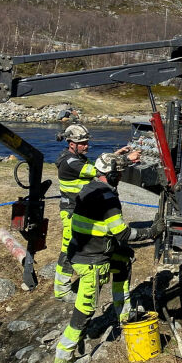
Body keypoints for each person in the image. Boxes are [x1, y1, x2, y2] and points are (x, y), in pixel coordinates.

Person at [54, 153, 164, 363]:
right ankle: (63, 359)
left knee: (123, 260)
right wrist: (150, 232)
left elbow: (101, 228)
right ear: (112, 174)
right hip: (92, 261)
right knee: (84, 310)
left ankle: (124, 315)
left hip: (86, 251)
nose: (121, 176)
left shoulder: (88, 188)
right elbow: (122, 233)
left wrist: (116, 248)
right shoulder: (108, 198)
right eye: (120, 173)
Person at [53, 124, 139, 300]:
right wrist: (127, 160)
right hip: (71, 211)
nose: (87, 146)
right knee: (70, 247)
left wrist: (117, 156)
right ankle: (61, 290)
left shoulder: (75, 157)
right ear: (71, 143)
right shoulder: (70, 163)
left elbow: (101, 168)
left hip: (80, 208)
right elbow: (99, 171)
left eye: (86, 142)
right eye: (83, 143)